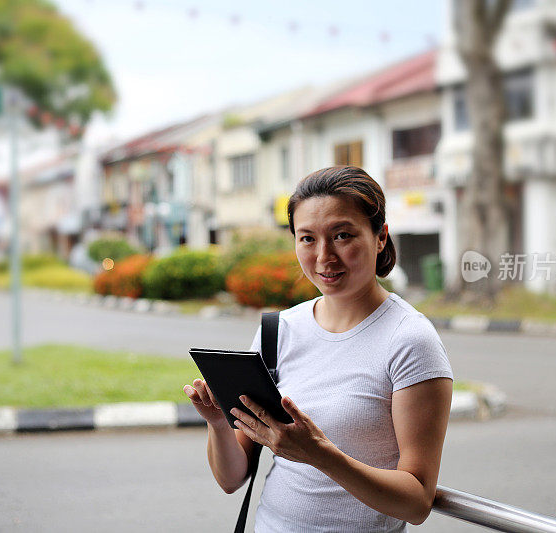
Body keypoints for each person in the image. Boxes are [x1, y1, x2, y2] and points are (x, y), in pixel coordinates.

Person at [184, 166, 453, 531]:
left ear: (380, 237)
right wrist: (218, 423)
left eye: (342, 235)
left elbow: (417, 501)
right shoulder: (277, 331)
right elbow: (231, 480)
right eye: (307, 238)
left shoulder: (410, 340)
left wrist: (319, 454)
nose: (325, 256)